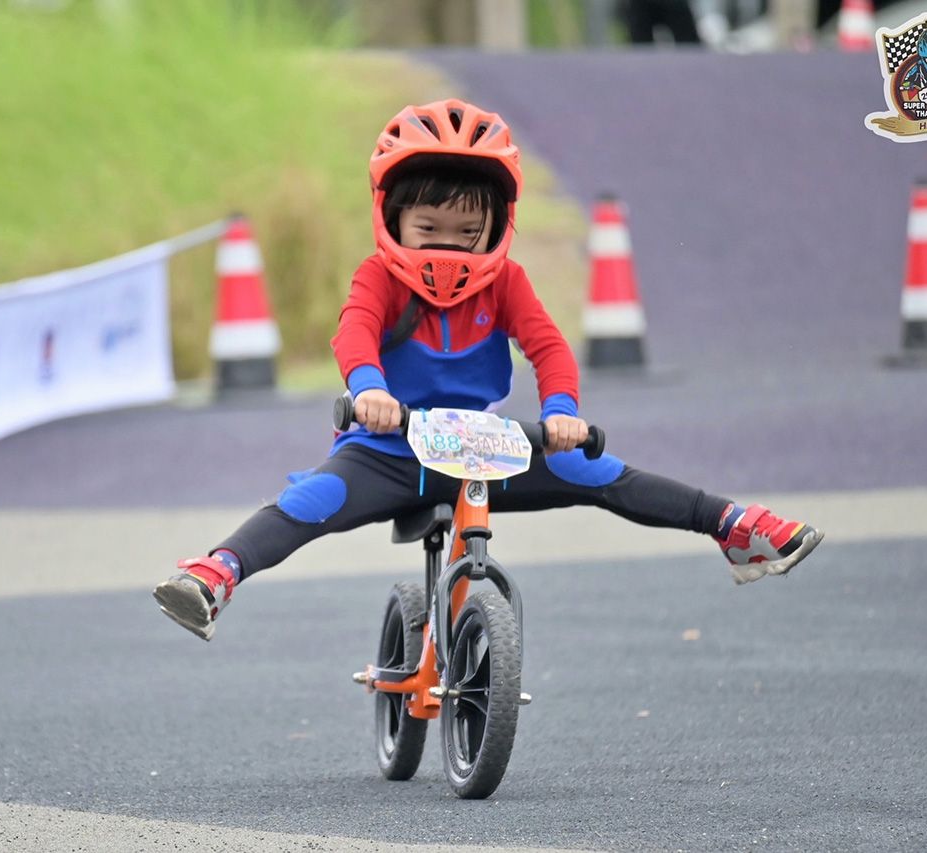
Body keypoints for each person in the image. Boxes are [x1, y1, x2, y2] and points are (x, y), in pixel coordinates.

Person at [153, 98, 822, 643]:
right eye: (429, 227)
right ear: (393, 218)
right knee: (313, 499)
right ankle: (217, 575)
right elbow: (353, 332)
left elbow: (549, 347)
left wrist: (561, 409)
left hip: (481, 445)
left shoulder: (508, 284)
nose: (448, 245)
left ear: (496, 226)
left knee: (605, 473)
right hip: (388, 447)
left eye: (466, 231)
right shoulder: (378, 278)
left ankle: (734, 528)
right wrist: (371, 392)